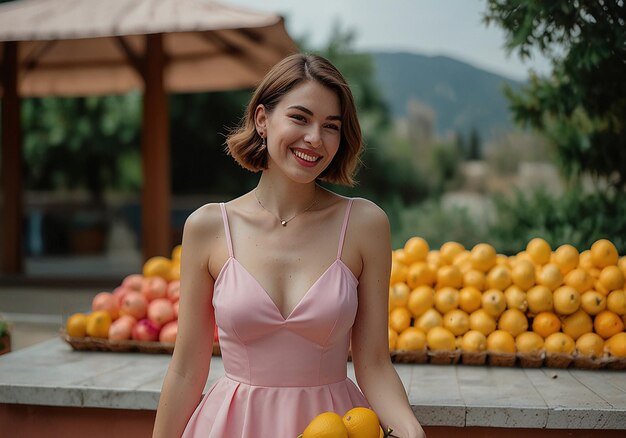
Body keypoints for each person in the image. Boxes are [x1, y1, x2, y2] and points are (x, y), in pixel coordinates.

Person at [153, 53, 426, 438]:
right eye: (300, 118)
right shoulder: (208, 227)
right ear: (263, 120)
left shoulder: (365, 225)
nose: (315, 138)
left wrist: (410, 429)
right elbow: (185, 370)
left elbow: (375, 364)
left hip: (333, 427)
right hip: (233, 427)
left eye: (331, 126)